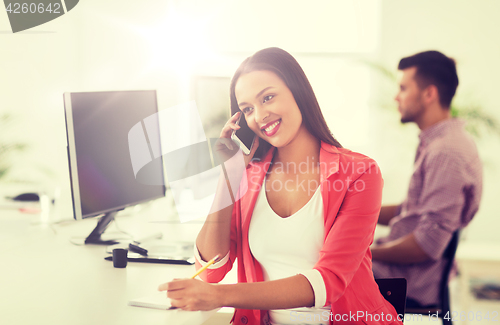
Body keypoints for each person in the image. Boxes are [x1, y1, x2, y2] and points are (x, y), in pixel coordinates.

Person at [159, 48, 403, 325]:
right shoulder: (248, 177)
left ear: (298, 92)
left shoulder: (359, 173)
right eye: (247, 109)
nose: (260, 116)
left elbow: (329, 280)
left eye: (268, 97)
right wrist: (229, 174)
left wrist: (219, 295)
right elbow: (210, 269)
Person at [371, 51, 482, 308]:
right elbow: (412, 211)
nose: (396, 97)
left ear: (429, 94)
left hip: (410, 280)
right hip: (401, 270)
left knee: (323, 277)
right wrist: (356, 210)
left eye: (403, 88)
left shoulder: (447, 152)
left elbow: (425, 245)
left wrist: (364, 254)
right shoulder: (438, 143)